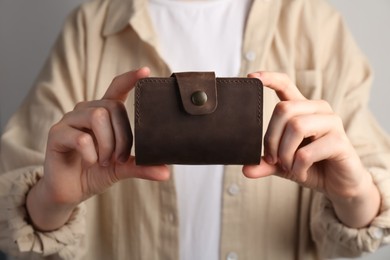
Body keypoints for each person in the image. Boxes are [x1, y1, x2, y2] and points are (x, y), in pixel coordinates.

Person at [1, 0, 390, 259]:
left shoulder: (314, 22)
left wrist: (353, 190)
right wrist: (52, 200)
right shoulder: (92, 25)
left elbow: (373, 206)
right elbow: (12, 211)